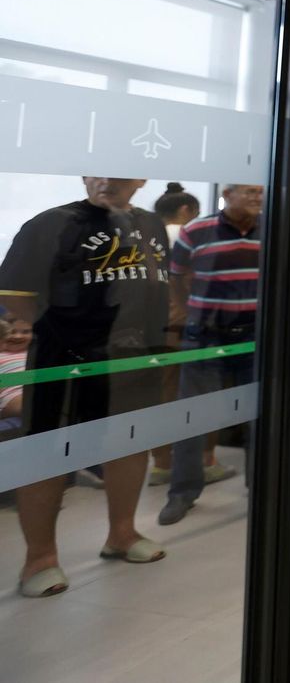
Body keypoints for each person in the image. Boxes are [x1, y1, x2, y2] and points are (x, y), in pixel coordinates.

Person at [1, 177, 171, 597]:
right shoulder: (52, 223)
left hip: (135, 355)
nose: (105, 180)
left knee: (130, 444)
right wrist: (68, 331)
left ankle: (122, 534)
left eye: (118, 171)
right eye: (96, 170)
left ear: (140, 178)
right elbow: (19, 296)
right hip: (65, 361)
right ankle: (40, 559)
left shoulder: (150, 223)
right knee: (48, 454)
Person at [159, 183, 265, 526]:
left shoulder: (273, 229)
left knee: (259, 415)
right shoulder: (197, 230)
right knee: (192, 415)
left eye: (259, 191)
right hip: (205, 335)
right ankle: (182, 493)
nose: (256, 197)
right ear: (227, 194)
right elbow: (176, 277)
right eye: (248, 190)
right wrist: (195, 312)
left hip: (256, 337)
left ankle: (261, 487)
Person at [146, 181, 232, 488]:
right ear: (186, 210)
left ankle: (161, 464)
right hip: (190, 325)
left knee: (162, 395)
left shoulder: (143, 236)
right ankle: (206, 461)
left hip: (150, 329)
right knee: (204, 394)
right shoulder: (195, 236)